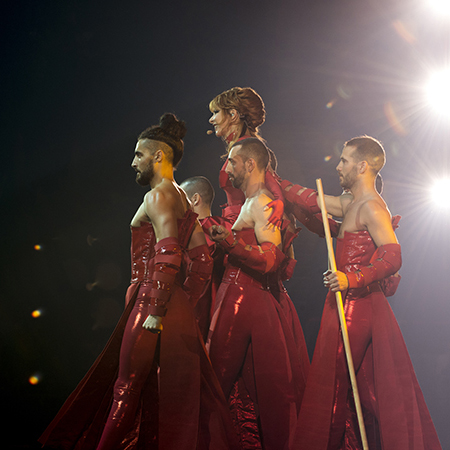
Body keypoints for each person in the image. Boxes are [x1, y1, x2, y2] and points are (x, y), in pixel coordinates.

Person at [39, 114, 240, 450]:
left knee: (125, 387)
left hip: (152, 301)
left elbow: (169, 254)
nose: (133, 162)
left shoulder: (158, 196)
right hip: (169, 304)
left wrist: (158, 309)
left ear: (158, 157)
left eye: (138, 155)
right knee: (162, 393)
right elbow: (202, 262)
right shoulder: (180, 199)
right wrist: (183, 304)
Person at [277, 136, 442, 449]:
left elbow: (393, 256)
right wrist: (277, 182)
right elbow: (315, 201)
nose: (338, 166)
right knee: (367, 392)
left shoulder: (372, 208)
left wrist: (351, 279)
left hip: (357, 307)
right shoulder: (351, 202)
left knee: (334, 384)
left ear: (362, 166)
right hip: (345, 303)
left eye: (344, 160)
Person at [207, 138, 309, 450]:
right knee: (236, 392)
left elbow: (269, 259)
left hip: (245, 300)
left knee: (216, 388)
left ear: (250, 164)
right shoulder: (255, 202)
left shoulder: (262, 203)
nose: (227, 168)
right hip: (238, 297)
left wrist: (228, 242)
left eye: (233, 161)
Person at [180, 176, 224, 340]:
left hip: (197, 309)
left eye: (180, 199)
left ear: (195, 199)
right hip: (222, 310)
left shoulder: (193, 233)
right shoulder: (226, 227)